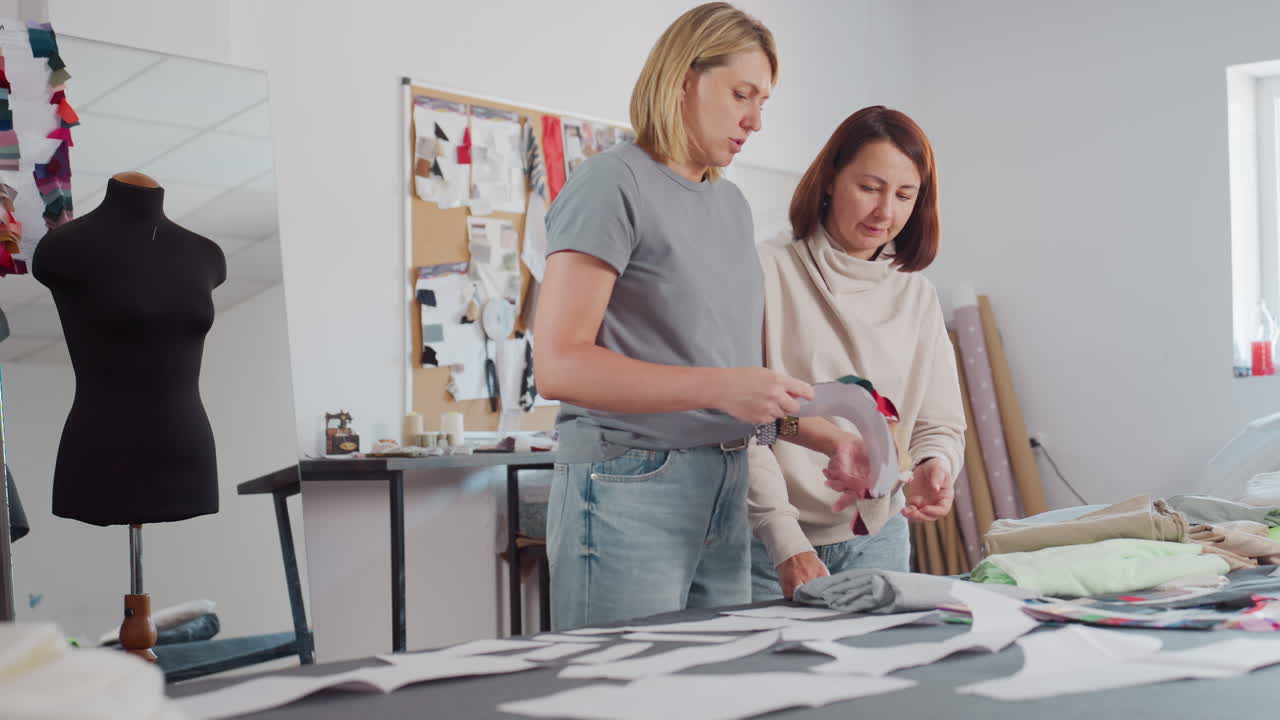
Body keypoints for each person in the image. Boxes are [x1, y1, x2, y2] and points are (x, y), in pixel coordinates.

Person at [534, 2, 812, 630]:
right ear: (684, 79)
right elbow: (559, 364)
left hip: (726, 482)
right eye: (742, 94)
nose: (756, 120)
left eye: (764, 101)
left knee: (711, 692)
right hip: (629, 483)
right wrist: (727, 388)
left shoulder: (732, 206)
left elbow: (722, 376)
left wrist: (824, 433)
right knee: (619, 695)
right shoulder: (611, 184)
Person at [747, 106, 966, 600]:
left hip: (878, 539)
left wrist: (936, 464)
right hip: (766, 541)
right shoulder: (766, 270)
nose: (885, 212)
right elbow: (744, 423)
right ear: (828, 181)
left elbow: (940, 422)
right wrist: (783, 541)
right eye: (869, 187)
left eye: (904, 195)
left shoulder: (916, 295)